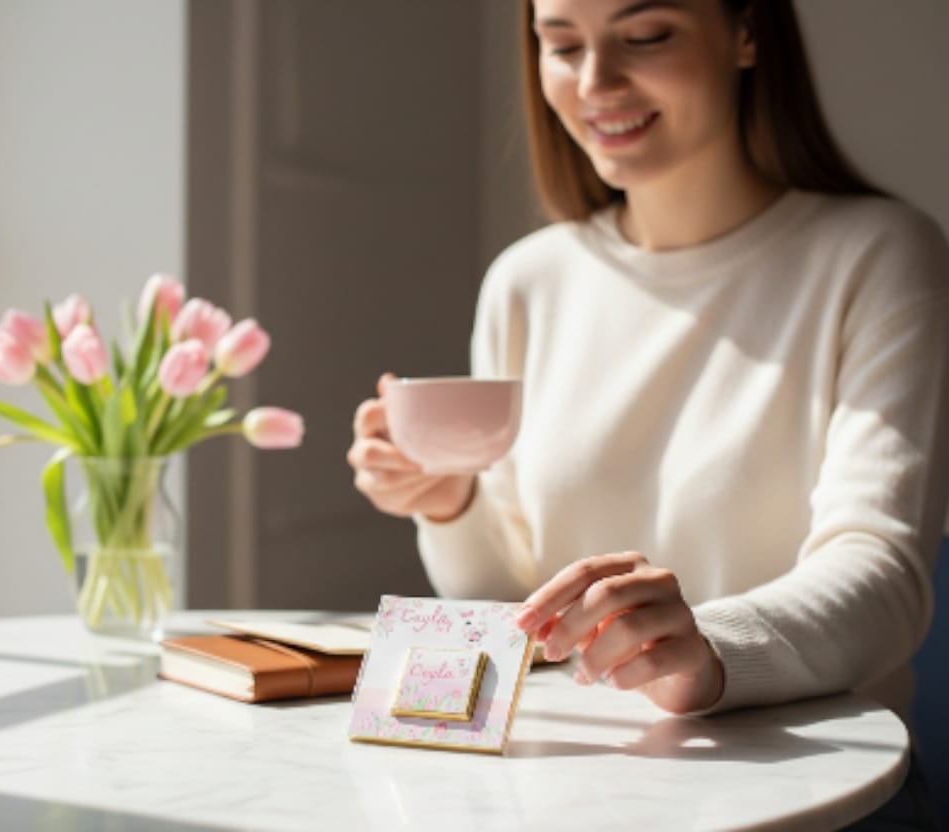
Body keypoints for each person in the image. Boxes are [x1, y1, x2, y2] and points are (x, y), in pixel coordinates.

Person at [348, 0, 948, 820]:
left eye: (646, 36)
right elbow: (515, 603)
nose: (596, 83)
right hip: (574, 789)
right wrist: (451, 504)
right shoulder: (528, 282)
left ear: (745, 33)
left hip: (819, 793)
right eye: (560, 46)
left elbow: (884, 575)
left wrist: (708, 652)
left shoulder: (881, 255)